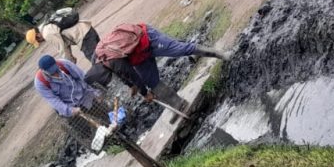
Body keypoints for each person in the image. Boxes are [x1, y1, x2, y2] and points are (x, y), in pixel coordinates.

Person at [84, 23, 230, 122]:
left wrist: (144, 93)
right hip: (137, 55)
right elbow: (122, 74)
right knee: (152, 82)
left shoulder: (111, 60)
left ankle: (221, 54)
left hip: (147, 39)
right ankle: (179, 105)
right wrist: (131, 86)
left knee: (180, 50)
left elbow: (132, 75)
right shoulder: (99, 58)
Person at [34, 54, 100, 118]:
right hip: (68, 106)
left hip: (84, 96)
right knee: (81, 124)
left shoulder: (64, 64)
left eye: (55, 69)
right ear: (43, 70)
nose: (55, 73)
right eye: (51, 72)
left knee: (102, 113)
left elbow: (83, 77)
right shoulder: (40, 82)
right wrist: (70, 110)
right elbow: (53, 100)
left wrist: (95, 92)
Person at [26, 8, 100, 64]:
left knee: (97, 62)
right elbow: (65, 44)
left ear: (37, 35)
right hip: (86, 28)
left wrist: (69, 64)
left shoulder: (47, 34)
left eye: (39, 41)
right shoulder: (47, 24)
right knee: (103, 53)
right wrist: (71, 58)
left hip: (84, 37)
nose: (42, 42)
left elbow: (62, 49)